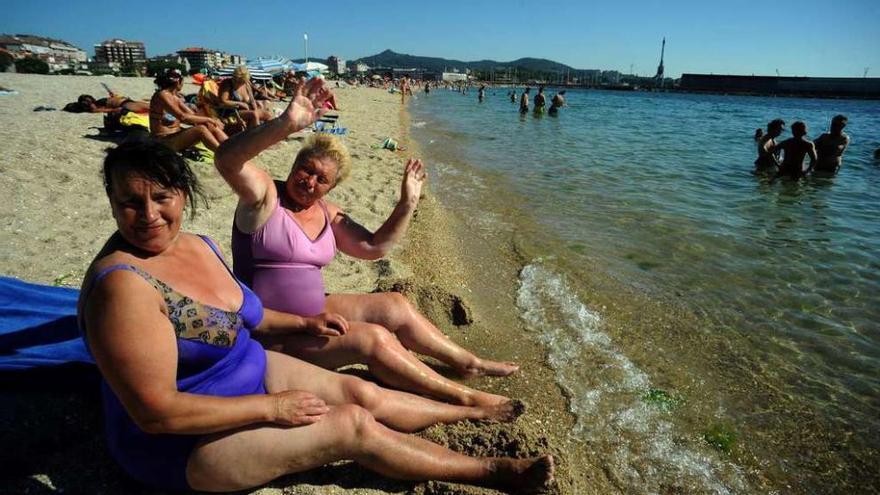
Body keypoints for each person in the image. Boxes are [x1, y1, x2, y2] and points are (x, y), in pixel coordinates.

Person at [77, 138, 553, 494]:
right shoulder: (124, 287)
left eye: (160, 197)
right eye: (129, 203)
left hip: (245, 369)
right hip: (184, 446)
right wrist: (271, 407)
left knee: (361, 390)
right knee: (352, 425)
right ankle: (490, 471)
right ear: (112, 203)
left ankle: (463, 407)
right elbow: (156, 413)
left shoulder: (200, 246)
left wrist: (305, 324)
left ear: (182, 194)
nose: (148, 215)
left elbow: (250, 320)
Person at [216, 80, 520, 408]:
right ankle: (462, 396)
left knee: (394, 305)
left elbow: (375, 247)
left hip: (315, 315)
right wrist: (286, 123)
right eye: (306, 170)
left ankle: (468, 362)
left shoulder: (325, 213)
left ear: (330, 188)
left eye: (322, 179)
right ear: (294, 165)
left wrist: (407, 204)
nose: (310, 181)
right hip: (271, 333)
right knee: (374, 339)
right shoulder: (263, 198)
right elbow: (227, 160)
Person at [149, 69, 228, 152]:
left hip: (174, 136)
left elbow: (193, 115)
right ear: (178, 82)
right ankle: (222, 154)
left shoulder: (175, 97)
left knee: (208, 125)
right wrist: (209, 119)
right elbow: (183, 117)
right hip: (163, 141)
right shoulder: (163, 95)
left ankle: (231, 147)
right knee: (201, 129)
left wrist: (212, 121)